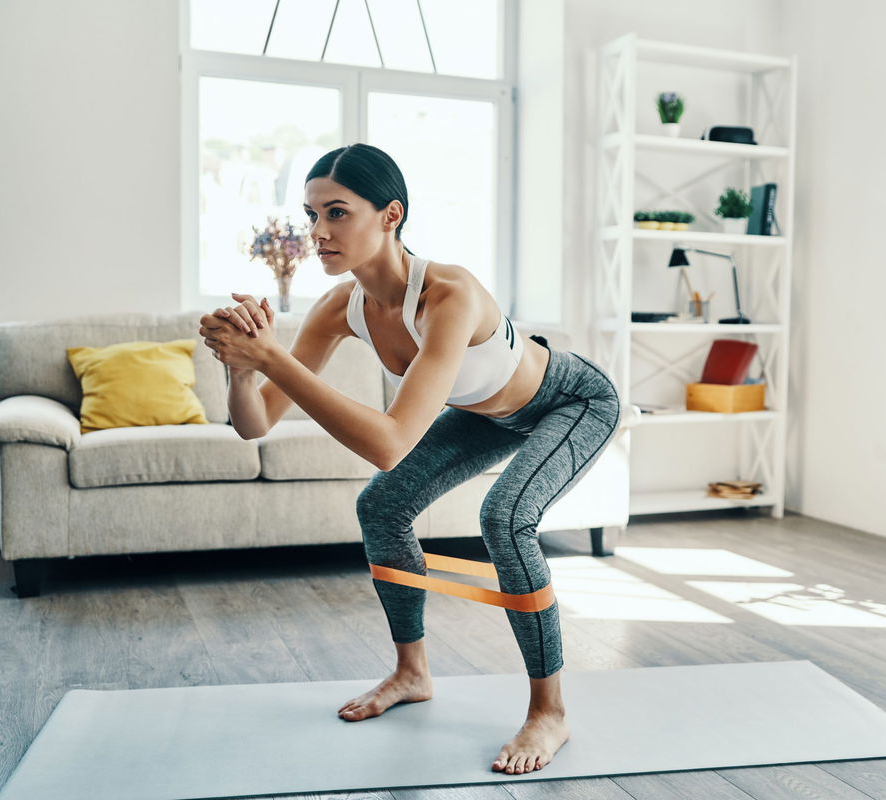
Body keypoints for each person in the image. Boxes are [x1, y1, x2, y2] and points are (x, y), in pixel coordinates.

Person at [198, 143, 621, 775]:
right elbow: (253, 425)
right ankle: (411, 672)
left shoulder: (451, 294)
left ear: (390, 214)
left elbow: (391, 441)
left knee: (505, 517)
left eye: (337, 213)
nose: (318, 232)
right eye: (311, 215)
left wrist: (273, 358)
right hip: (488, 415)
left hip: (570, 400)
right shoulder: (338, 309)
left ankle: (548, 712)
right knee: (382, 505)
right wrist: (240, 370)